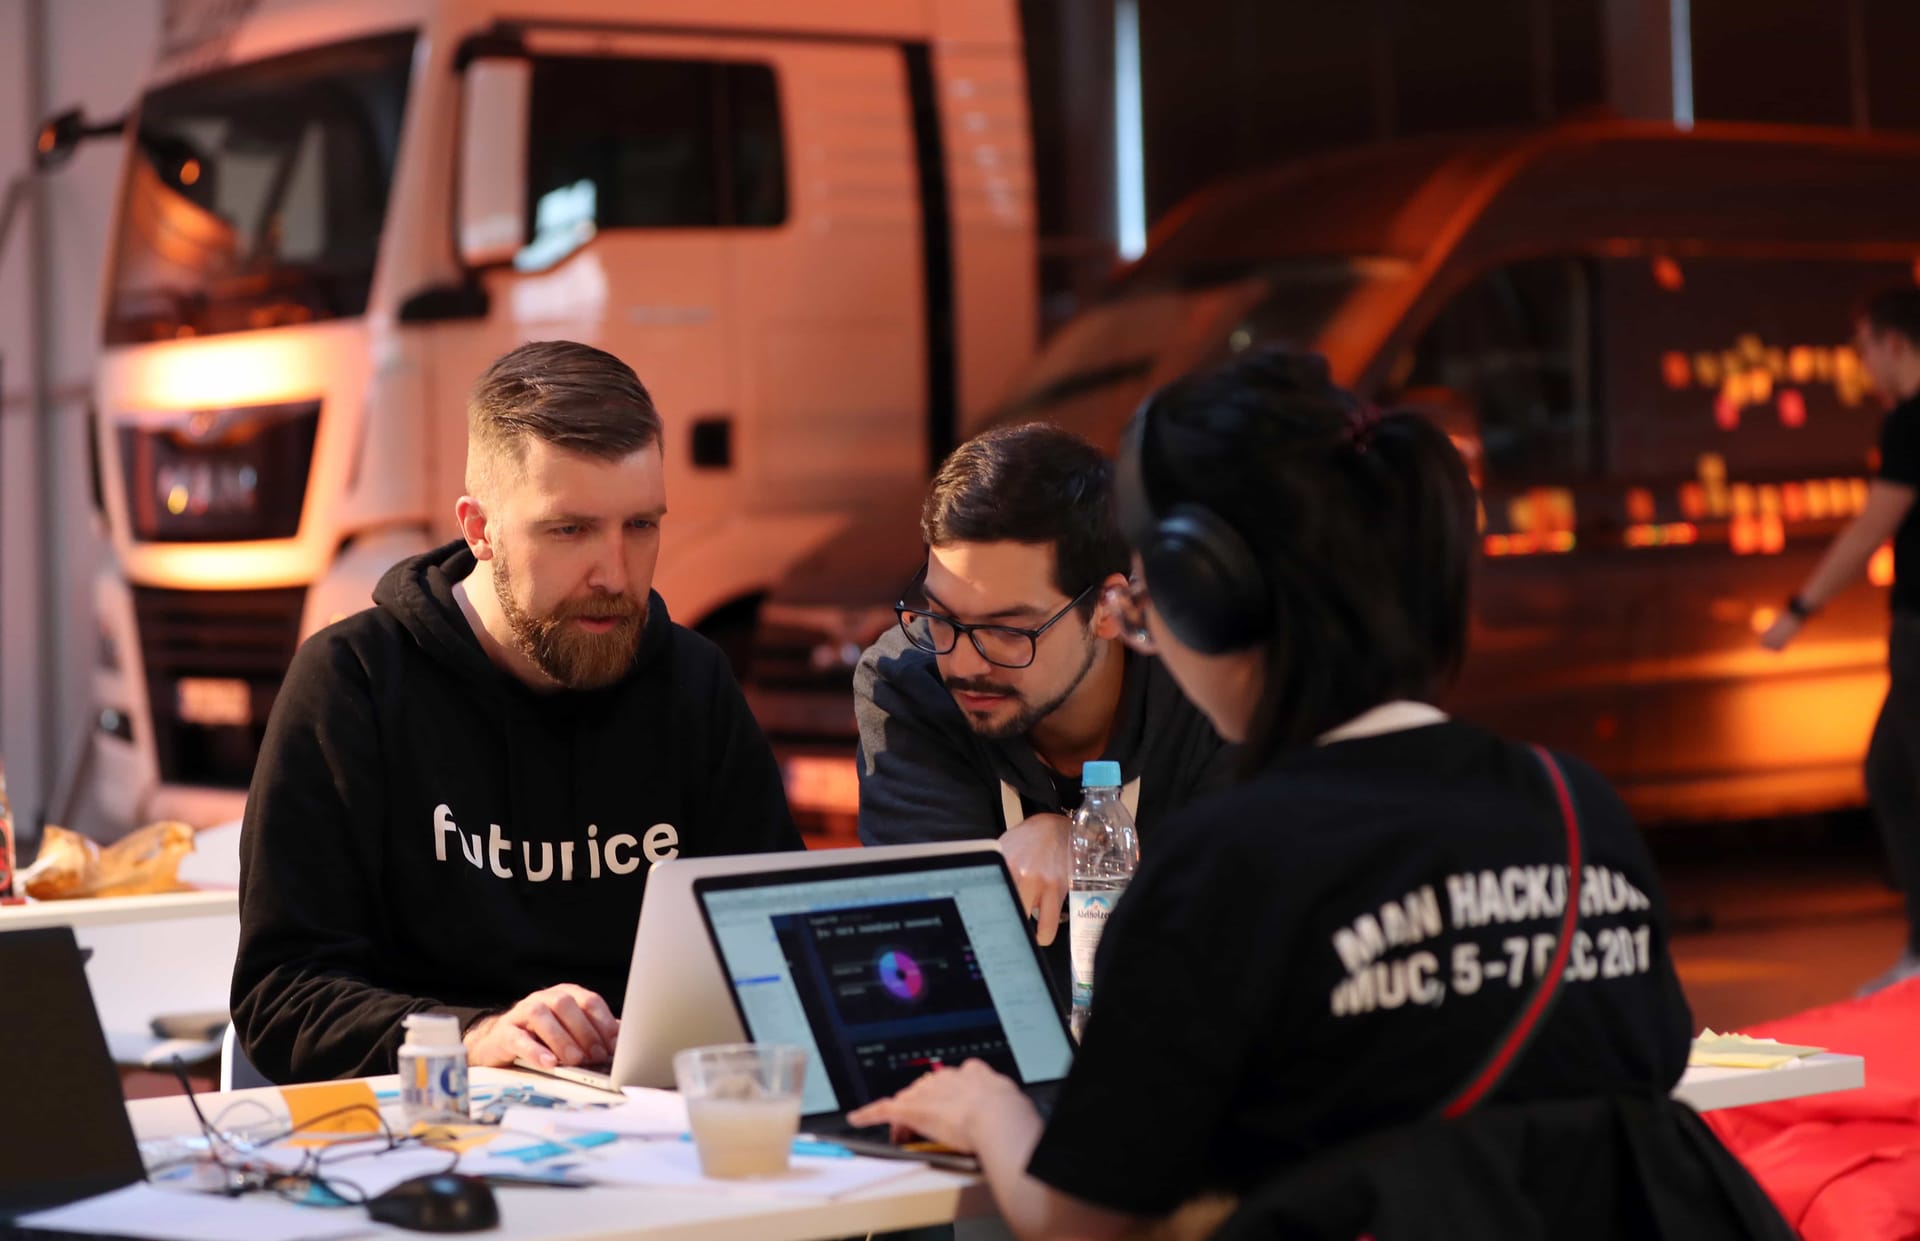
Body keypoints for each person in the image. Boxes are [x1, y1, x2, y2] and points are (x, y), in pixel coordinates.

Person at [848, 351, 1785, 1238]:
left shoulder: (1225, 865)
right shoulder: (1578, 806)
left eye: (1148, 603)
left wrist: (988, 1107)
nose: (1140, 629)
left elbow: (1076, 1216)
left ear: (1212, 599)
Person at [232, 341, 802, 1083]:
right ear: (480, 530)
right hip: (432, 1143)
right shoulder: (354, 684)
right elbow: (283, 997)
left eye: (641, 525)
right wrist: (475, 1038)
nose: (615, 575)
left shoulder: (692, 683)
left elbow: (780, 948)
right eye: (569, 530)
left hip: (658, 1137)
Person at [854, 423, 1233, 959]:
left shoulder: (1211, 688)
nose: (963, 663)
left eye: (1008, 631)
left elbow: (1248, 921)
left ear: (1109, 608)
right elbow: (934, 950)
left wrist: (1088, 846)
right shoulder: (909, 683)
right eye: (941, 618)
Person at [1763, 287, 1920, 994]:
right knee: (1891, 770)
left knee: (1898, 773)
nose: (1859, 366)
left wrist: (1800, 608)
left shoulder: (1913, 424)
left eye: (1862, 349)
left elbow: (1868, 530)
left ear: (1894, 344)